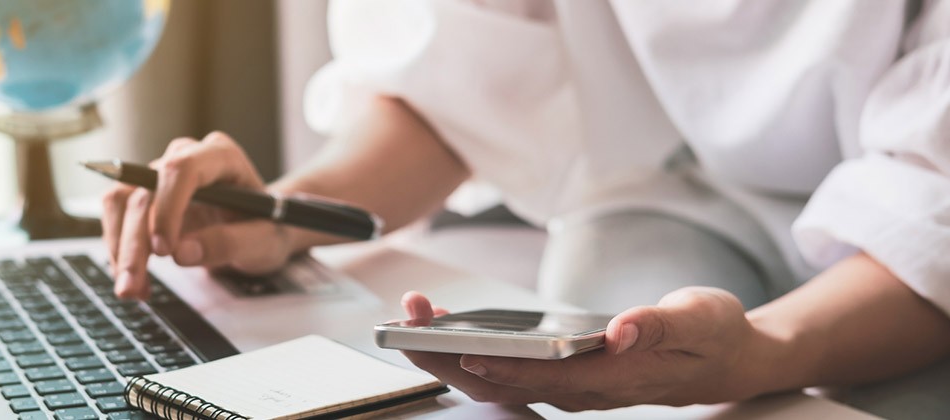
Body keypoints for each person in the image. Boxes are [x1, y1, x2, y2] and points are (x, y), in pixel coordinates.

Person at [101, 0, 950, 415]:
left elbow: (933, 211)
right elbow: (454, 87)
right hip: (668, 195)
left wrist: (764, 353)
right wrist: (278, 214)